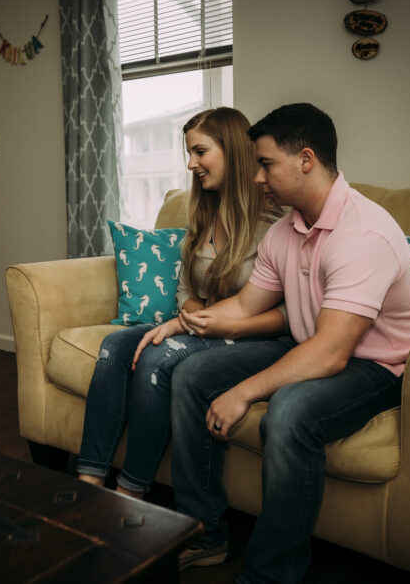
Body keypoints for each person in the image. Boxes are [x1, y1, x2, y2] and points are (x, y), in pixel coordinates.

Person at [170, 103, 410, 582]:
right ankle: (205, 534)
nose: (258, 177)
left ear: (306, 159)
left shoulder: (363, 233)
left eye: (266, 164)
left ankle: (271, 574)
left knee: (288, 413)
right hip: (306, 346)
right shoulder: (284, 231)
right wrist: (181, 324)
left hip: (375, 368)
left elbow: (332, 353)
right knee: (189, 374)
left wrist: (244, 392)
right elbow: (246, 306)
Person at [76, 107, 291, 498]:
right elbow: (183, 292)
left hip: (251, 339)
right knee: (114, 346)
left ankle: (131, 493)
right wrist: (194, 316)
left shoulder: (276, 224)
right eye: (188, 153)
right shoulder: (204, 213)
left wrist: (208, 323)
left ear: (233, 152)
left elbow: (290, 315)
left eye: (200, 152)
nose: (191, 163)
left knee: (157, 359)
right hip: (201, 330)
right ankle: (89, 483)